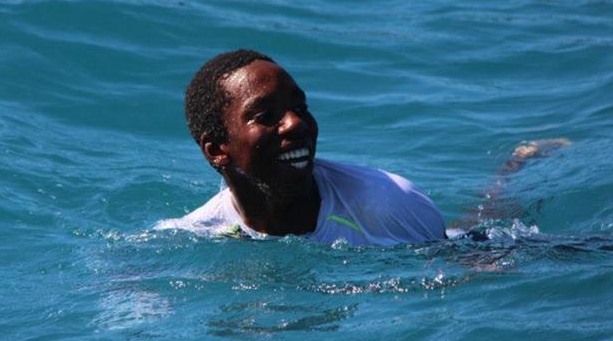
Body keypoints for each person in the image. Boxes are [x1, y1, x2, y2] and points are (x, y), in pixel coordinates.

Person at [155, 49, 447, 246]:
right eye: (266, 116)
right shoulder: (196, 237)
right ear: (217, 150)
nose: (297, 124)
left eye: (300, 107)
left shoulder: (388, 204)